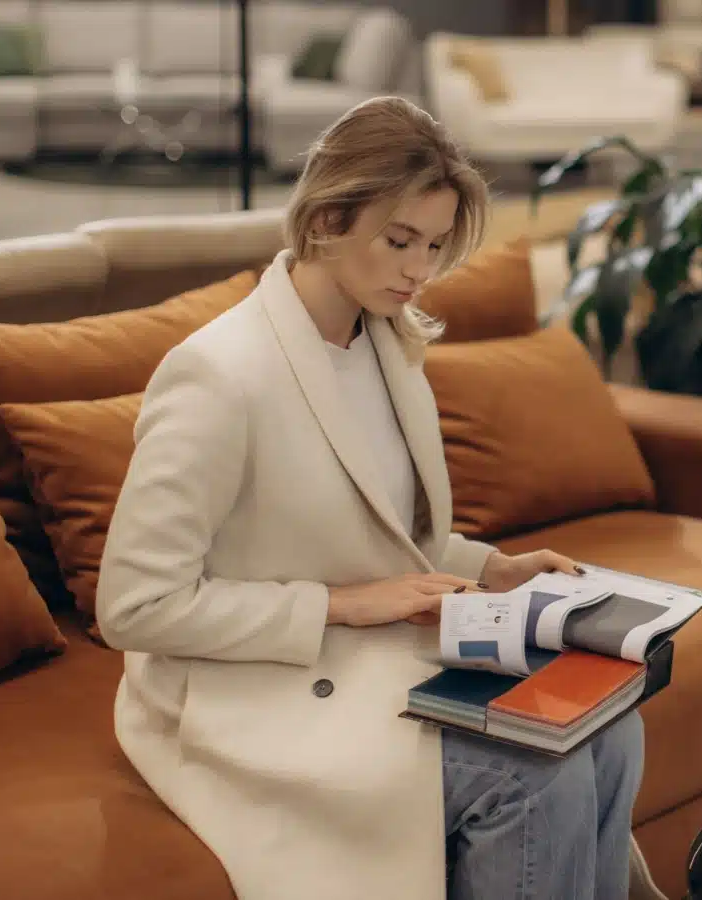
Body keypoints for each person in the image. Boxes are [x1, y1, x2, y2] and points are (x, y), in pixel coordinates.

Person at [96, 96, 668, 900]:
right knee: (535, 772)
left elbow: (387, 541)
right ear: (328, 217)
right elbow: (133, 607)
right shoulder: (221, 376)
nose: (419, 270)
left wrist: (494, 567)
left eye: (433, 246)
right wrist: (341, 604)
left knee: (611, 727)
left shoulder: (389, 344)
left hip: (365, 659)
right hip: (251, 689)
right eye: (399, 242)